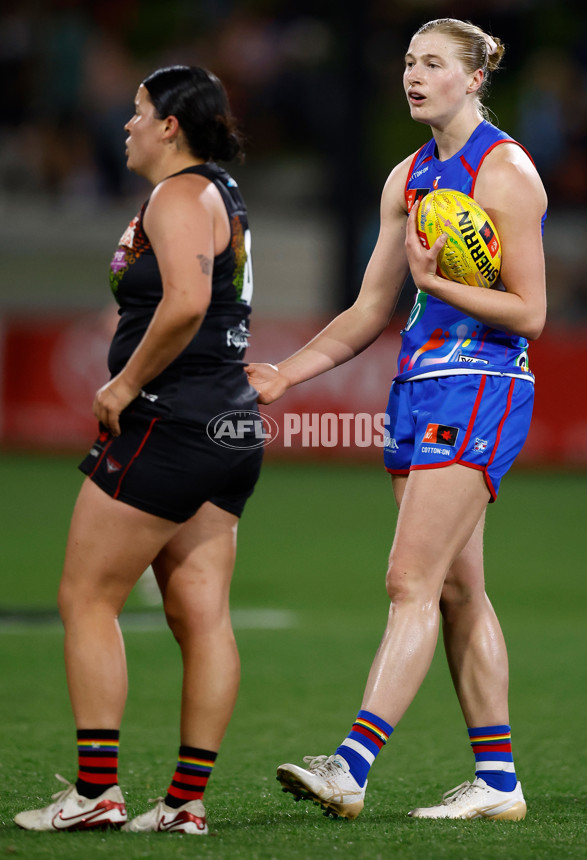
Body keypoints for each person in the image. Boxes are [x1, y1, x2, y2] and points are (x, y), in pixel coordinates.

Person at [246, 18, 546, 821]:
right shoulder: (407, 178)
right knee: (457, 590)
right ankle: (499, 781)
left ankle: (351, 766)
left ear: (474, 78)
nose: (414, 75)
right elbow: (368, 309)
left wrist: (439, 285)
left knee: (408, 581)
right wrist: (286, 373)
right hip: (419, 384)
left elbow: (531, 313)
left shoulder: (506, 171)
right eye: (410, 61)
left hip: (480, 384)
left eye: (434, 63)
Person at [14, 65, 262, 835]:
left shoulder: (178, 195)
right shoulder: (222, 192)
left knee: (86, 598)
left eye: (138, 110)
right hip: (229, 425)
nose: (127, 124)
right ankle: (185, 803)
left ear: (170, 126)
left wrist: (123, 384)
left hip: (169, 421)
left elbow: (187, 302)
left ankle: (96, 792)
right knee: (202, 617)